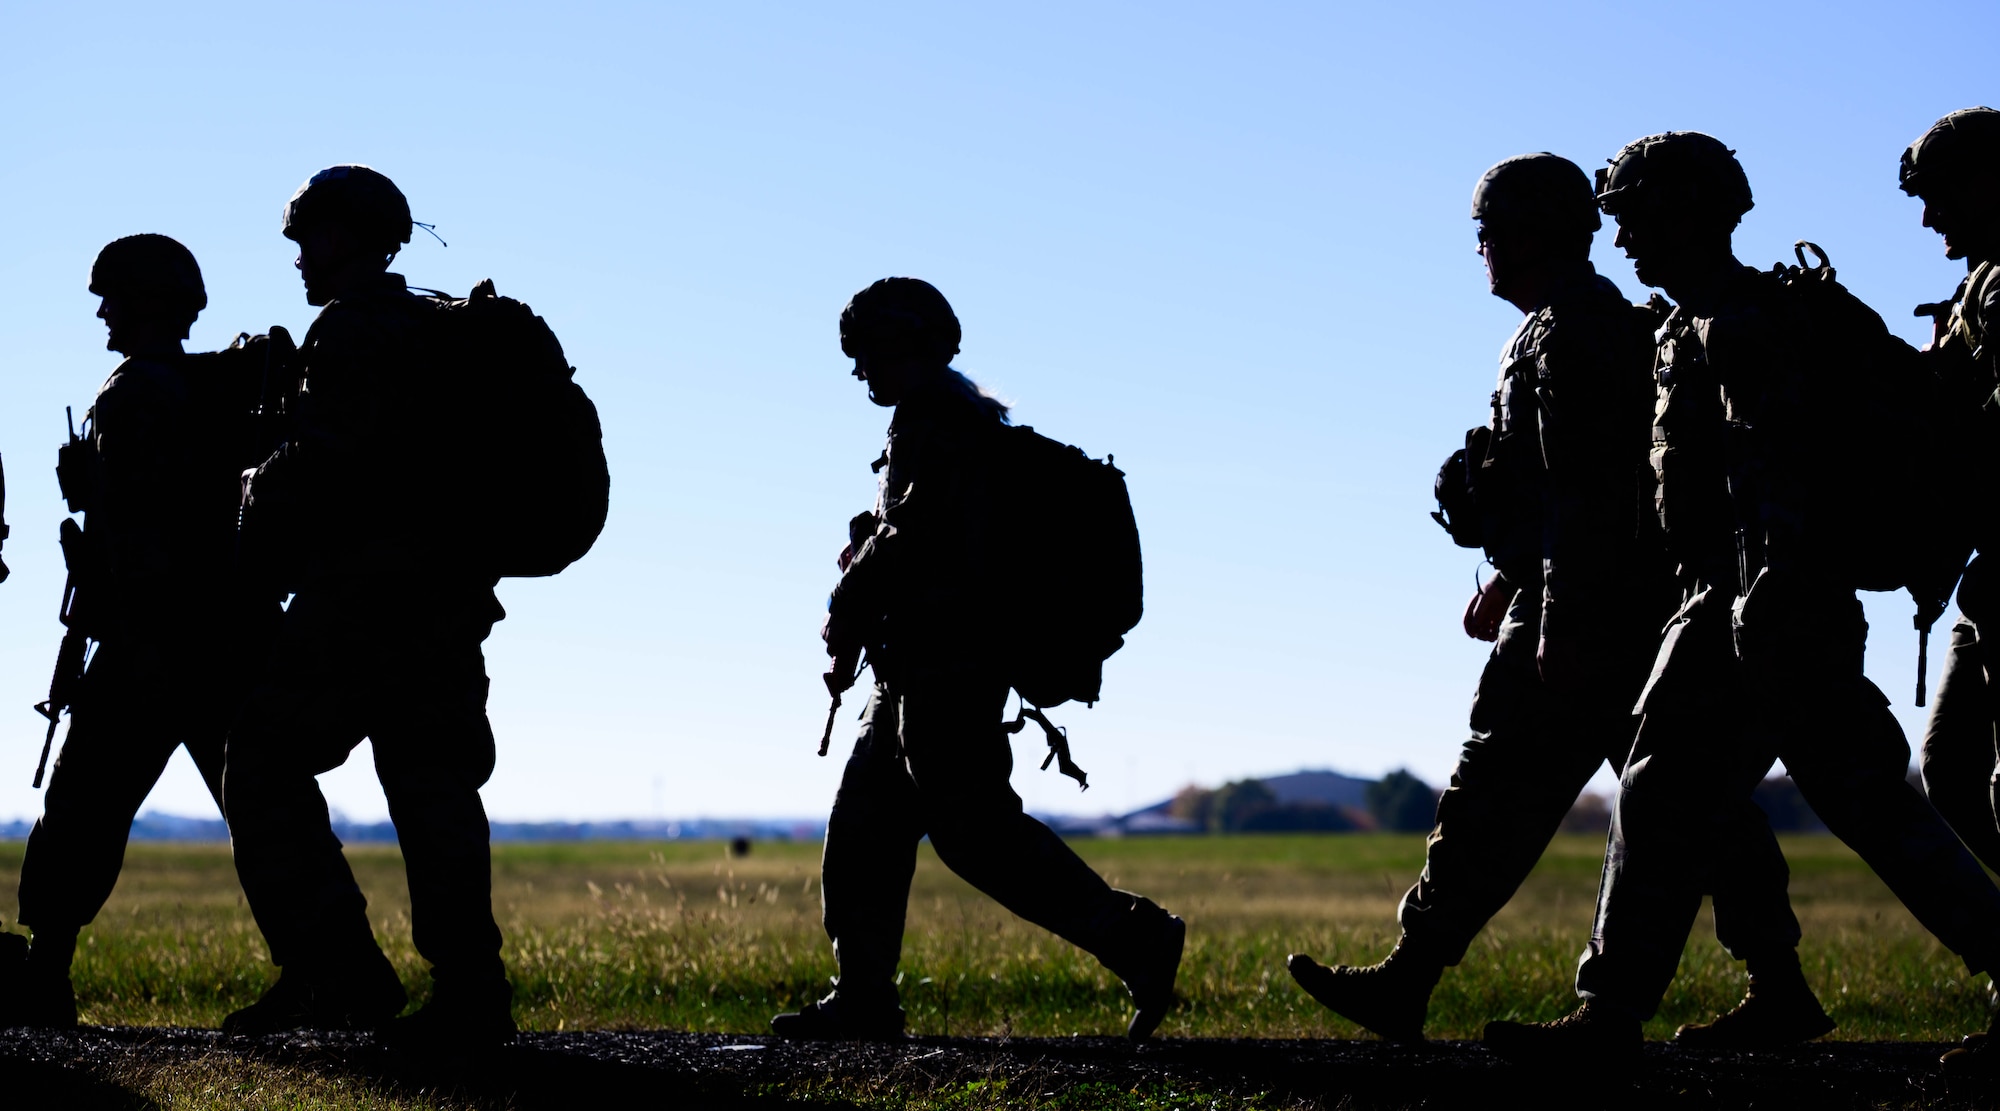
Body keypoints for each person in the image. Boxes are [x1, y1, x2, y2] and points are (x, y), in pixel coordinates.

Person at [1484, 132, 2000, 1063]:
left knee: (1852, 804)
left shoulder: (1749, 323)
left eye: (1639, 217)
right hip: (1730, 604)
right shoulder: (1683, 329)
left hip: (1771, 608)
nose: (1623, 236)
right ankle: (1618, 1010)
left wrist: (1767, 600)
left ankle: (1616, 1012)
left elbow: (1782, 480)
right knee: (1682, 791)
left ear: (1688, 216)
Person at [1285, 155, 1820, 1047]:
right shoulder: (1584, 326)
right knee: (1696, 804)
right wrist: (1507, 573)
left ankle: (1414, 978)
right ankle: (1779, 982)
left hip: (1586, 611)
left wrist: (1557, 612)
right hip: (1610, 604)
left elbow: (1589, 490)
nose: (1482, 248)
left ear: (1533, 233)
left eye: (1490, 230)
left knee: (1500, 787)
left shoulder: (1573, 332)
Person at [771, 277, 1184, 1041]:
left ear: (915, 347)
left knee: (976, 834)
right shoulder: (935, 420)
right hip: (910, 671)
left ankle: (1135, 936)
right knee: (864, 827)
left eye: (871, 351)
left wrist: (846, 598)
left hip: (949, 670)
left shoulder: (944, 425)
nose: (860, 369)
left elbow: (913, 538)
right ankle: (863, 995)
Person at [221, 165, 512, 1047]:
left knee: (261, 759)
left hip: (362, 602)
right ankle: (470, 990)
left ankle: (335, 971)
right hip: (445, 603)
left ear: (345, 237)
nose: (299, 257)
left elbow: (329, 466)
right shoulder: (437, 326)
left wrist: (255, 482)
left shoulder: (351, 331)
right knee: (434, 788)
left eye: (309, 238)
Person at [0, 235, 308, 1027]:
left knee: (82, 802)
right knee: (265, 807)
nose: (102, 311)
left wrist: (116, 604)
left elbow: (145, 535)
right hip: (224, 634)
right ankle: (328, 968)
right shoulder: (196, 389)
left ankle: (46, 973)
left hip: (157, 638)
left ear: (146, 303)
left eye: (113, 297)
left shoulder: (136, 393)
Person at [1901, 106, 2000, 1074]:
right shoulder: (1978, 288)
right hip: (1989, 576)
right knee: (1952, 772)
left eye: (1941, 196)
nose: (1931, 218)